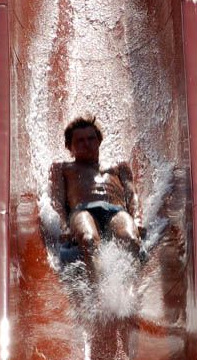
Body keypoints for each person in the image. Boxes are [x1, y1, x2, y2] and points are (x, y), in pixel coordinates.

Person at [49, 116, 145, 274]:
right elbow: (57, 200)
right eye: (80, 141)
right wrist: (64, 227)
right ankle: (97, 288)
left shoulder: (119, 167)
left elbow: (132, 196)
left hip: (116, 211)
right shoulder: (63, 168)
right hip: (82, 211)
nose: (87, 144)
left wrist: (137, 219)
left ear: (99, 141)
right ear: (69, 147)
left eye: (91, 139)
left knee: (131, 239)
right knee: (88, 239)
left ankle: (132, 287)